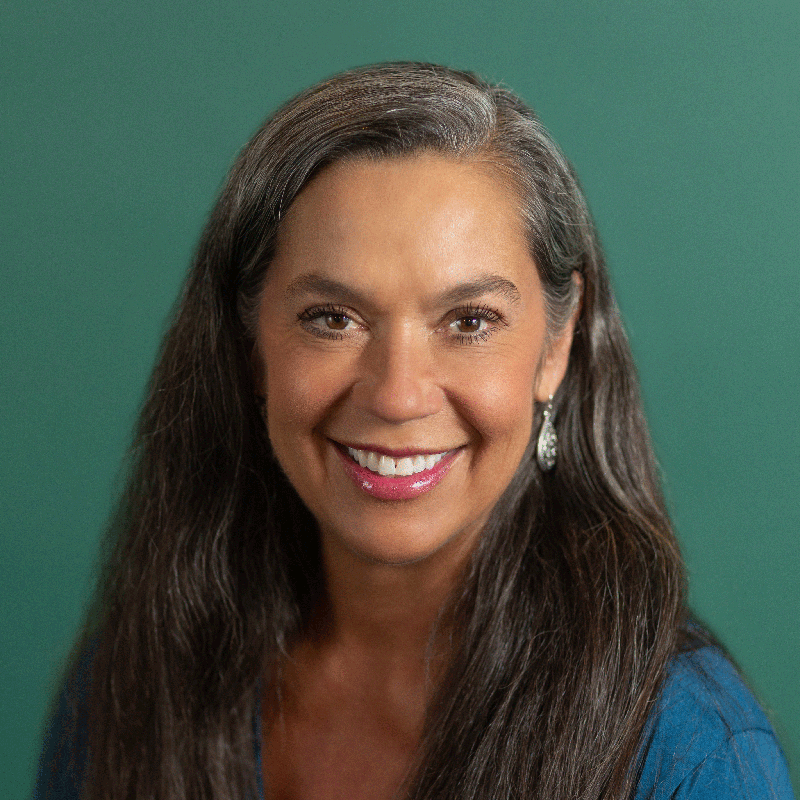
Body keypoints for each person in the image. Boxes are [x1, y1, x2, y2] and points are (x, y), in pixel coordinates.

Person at [34, 62, 794, 800]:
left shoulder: (689, 749)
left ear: (556, 347)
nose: (398, 395)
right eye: (332, 319)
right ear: (249, 344)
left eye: (470, 321)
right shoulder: (130, 683)